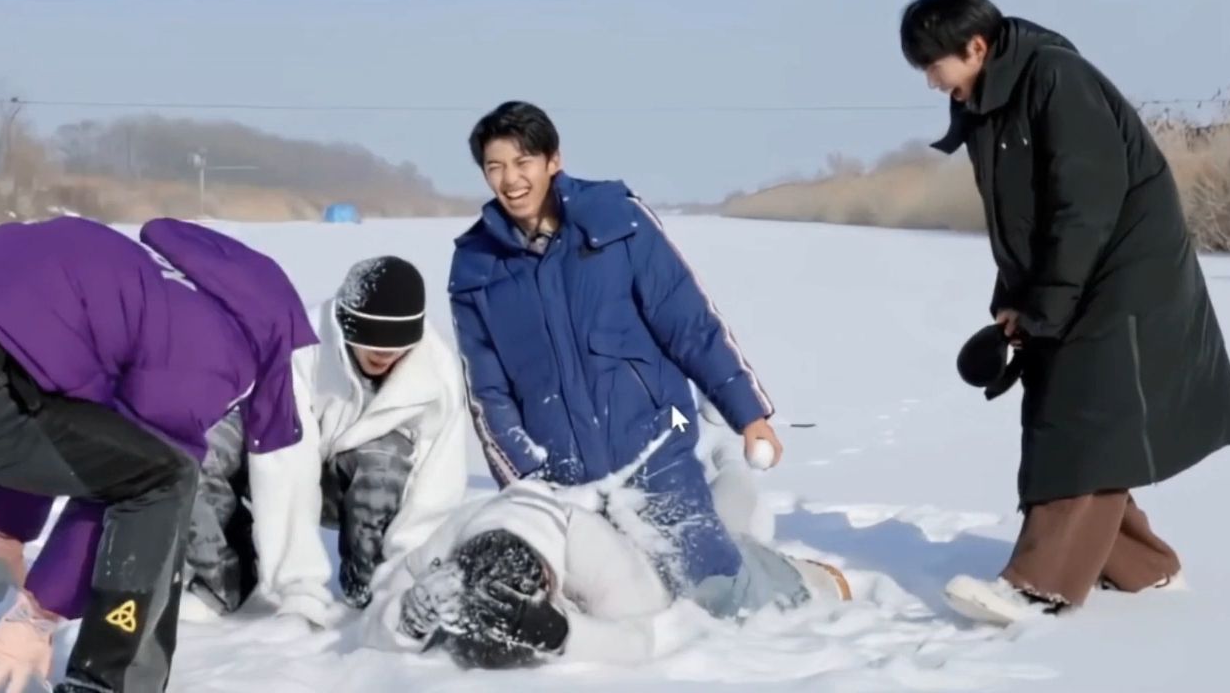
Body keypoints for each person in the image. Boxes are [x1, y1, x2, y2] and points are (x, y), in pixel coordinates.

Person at [0, 215, 319, 693]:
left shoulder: (141, 283)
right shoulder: (211, 344)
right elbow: (127, 479)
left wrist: (6, 535)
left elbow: (58, 421)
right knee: (165, 478)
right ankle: (105, 677)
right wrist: (38, 615)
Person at [899, 0, 1230, 626]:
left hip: (1123, 275)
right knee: (1069, 415)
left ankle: (1040, 585)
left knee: (1080, 420)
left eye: (933, 64)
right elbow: (1018, 219)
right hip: (1072, 276)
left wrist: (1047, 305)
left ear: (976, 46)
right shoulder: (986, 104)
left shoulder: (1059, 80)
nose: (930, 81)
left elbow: (1083, 208)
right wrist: (1014, 301)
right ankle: (1145, 569)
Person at [449, 101, 781, 606]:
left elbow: (687, 322)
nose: (510, 179)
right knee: (606, 611)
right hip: (559, 484)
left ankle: (788, 580)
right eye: (495, 167)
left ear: (552, 161)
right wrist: (527, 483)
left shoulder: (616, 220)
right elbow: (487, 393)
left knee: (716, 597)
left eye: (523, 163)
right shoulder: (475, 264)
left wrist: (749, 414)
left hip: (654, 456)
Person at [362, 440, 849, 668]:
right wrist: (406, 618)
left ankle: (734, 465)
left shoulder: (588, 548)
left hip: (641, 543)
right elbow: (375, 613)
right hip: (577, 496)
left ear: (549, 583)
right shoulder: (455, 538)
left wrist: (559, 633)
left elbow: (644, 635)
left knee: (726, 532)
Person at [180, 255, 468, 623]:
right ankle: (223, 579)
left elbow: (436, 488)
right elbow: (286, 463)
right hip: (278, 466)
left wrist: (406, 572)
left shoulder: (437, 372)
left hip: (361, 483)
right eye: (372, 340)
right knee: (203, 449)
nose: (384, 353)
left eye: (396, 345)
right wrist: (300, 587)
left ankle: (372, 586)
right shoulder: (301, 347)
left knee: (385, 457)